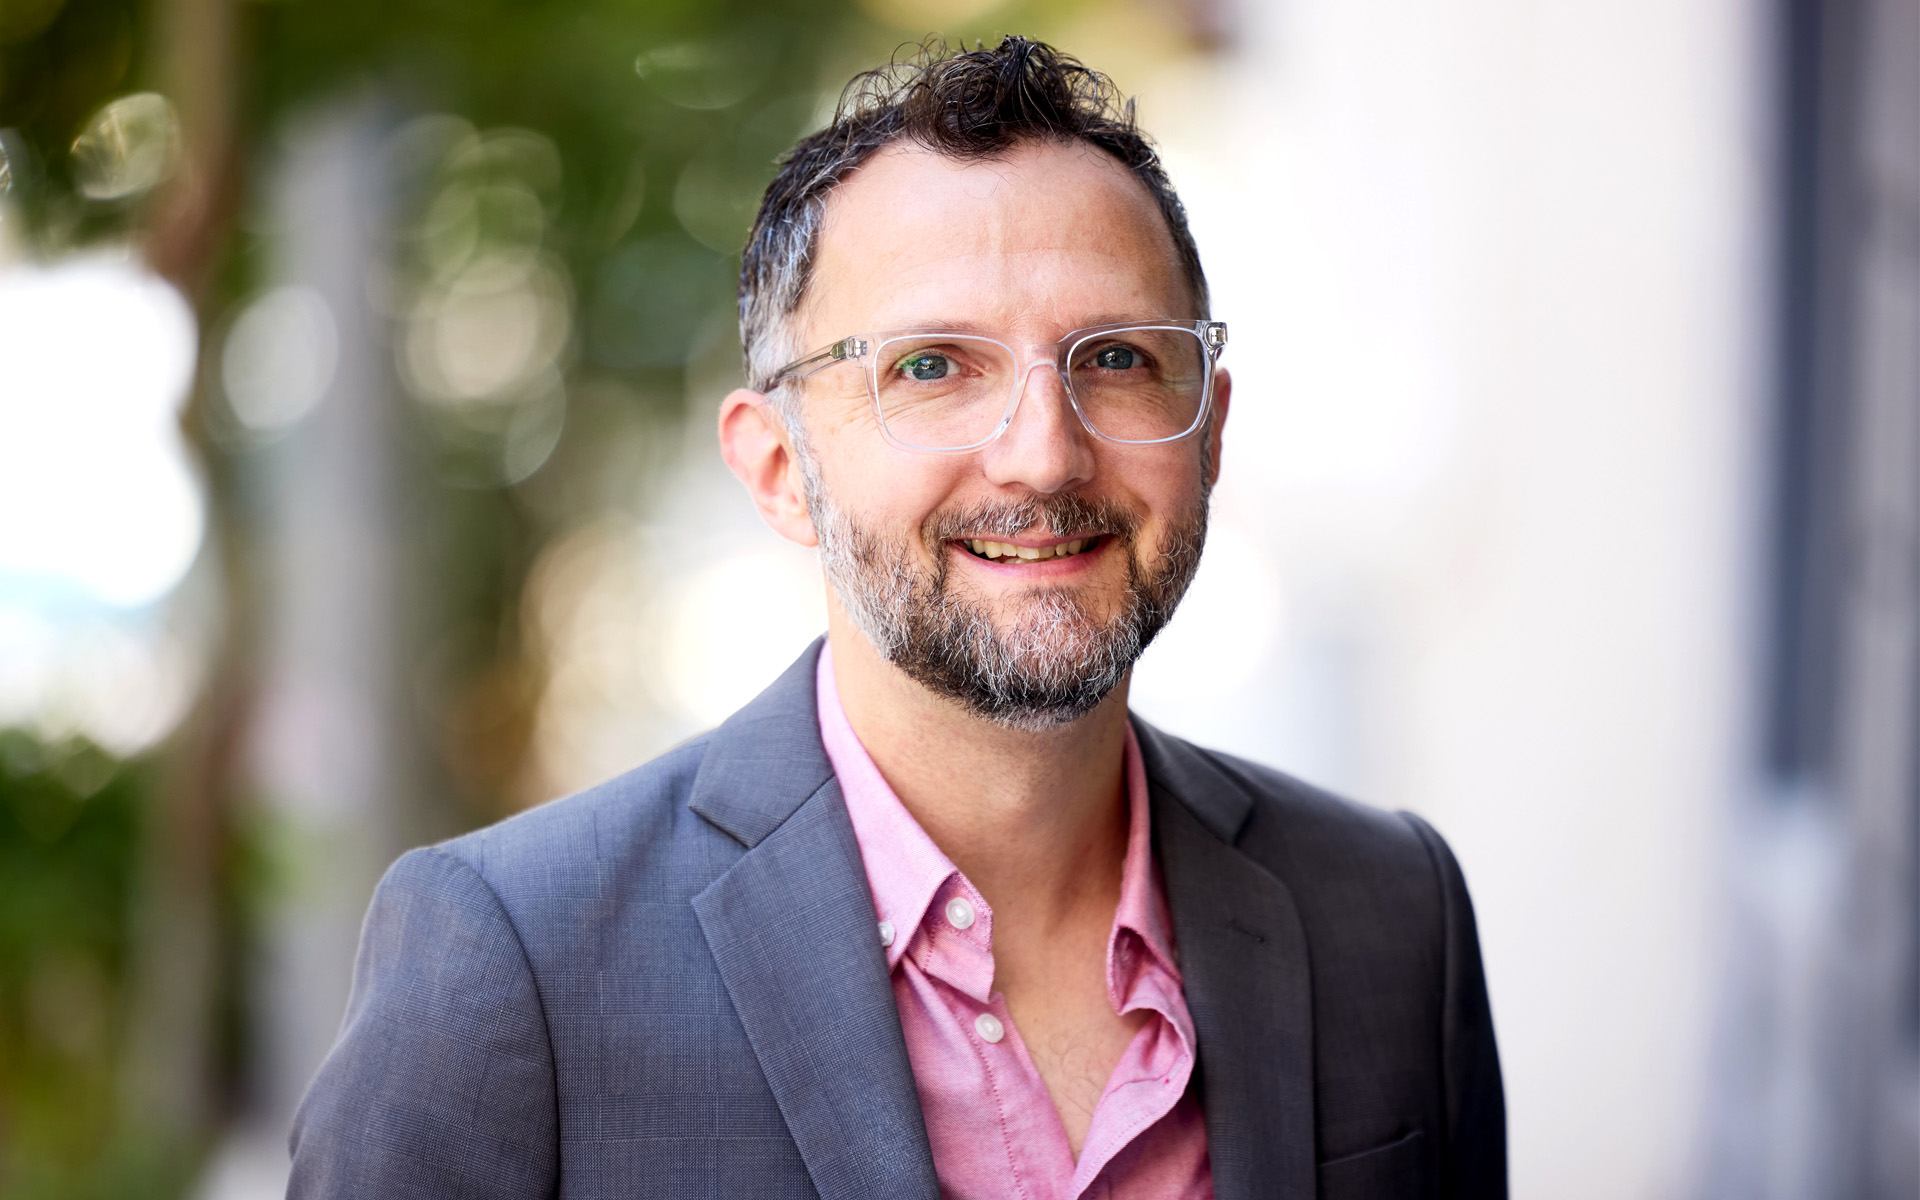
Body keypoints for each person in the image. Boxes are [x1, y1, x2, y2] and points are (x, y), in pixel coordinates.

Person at [289, 36, 1505, 1200]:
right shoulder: (519, 960)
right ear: (779, 468)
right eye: (931, 366)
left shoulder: (1392, 917)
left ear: (1213, 430)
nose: (1043, 454)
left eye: (1117, 359)